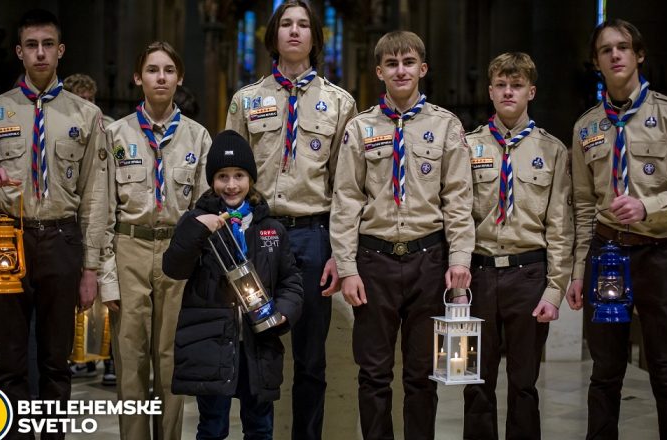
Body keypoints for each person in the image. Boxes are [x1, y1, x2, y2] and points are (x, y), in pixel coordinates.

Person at [0, 9, 107, 439]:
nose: (40, 53)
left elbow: (95, 197)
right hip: (9, 238)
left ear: (60, 51)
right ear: (20, 52)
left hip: (61, 239)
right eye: (31, 46)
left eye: (47, 45)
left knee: (57, 363)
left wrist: (91, 267)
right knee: (12, 362)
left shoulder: (86, 115)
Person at [565, 19, 667, 439]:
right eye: (606, 50)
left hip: (659, 255)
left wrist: (648, 206)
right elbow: (583, 207)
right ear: (597, 62)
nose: (615, 55)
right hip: (606, 254)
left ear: (639, 54)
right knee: (605, 371)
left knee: (666, 369)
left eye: (623, 47)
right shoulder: (586, 127)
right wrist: (578, 271)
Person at [330, 30, 474, 440]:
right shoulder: (360, 129)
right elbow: (346, 201)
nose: (401, 70)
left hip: (428, 260)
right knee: (373, 374)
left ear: (422, 69)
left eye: (408, 62)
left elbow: (458, 201)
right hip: (374, 262)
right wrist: (347, 267)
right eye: (392, 64)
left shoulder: (446, 126)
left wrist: (460, 260)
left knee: (422, 376)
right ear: (379, 71)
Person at [224, 2, 356, 438]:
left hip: (313, 235)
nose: (294, 32)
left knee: (311, 357)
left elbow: (345, 186)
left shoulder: (340, 103)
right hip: (260, 232)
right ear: (273, 36)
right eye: (286, 24)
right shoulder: (246, 100)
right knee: (255, 347)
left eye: (303, 25)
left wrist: (340, 252)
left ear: (316, 37)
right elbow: (230, 178)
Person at [97, 41, 212, 440]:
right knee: (130, 361)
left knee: (170, 361)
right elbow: (104, 212)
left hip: (176, 253)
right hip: (130, 248)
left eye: (167, 70)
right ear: (137, 78)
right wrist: (106, 276)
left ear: (179, 78)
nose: (160, 77)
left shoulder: (198, 137)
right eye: (151, 70)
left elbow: (202, 212)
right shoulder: (114, 134)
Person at [163, 129, 303, 440]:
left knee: (260, 427)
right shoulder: (196, 223)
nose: (231, 184)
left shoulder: (271, 229)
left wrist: (283, 314)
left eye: (239, 175)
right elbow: (173, 267)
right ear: (212, 180)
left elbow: (291, 281)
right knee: (212, 427)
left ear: (250, 179)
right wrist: (198, 230)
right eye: (222, 176)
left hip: (258, 347)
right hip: (211, 346)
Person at [461, 52, 572, 439]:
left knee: (524, 384)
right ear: (491, 92)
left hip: (529, 274)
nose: (509, 92)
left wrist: (555, 289)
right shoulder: (467, 146)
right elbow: (456, 218)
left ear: (531, 91)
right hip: (478, 273)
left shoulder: (553, 151)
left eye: (517, 85)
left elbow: (560, 226)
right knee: (476, 381)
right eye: (502, 86)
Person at [62, 73, 117, 386]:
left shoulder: (107, 126)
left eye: (91, 99)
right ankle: (78, 356)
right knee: (76, 293)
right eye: (81, 99)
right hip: (72, 219)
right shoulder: (61, 125)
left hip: (102, 216)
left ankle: (109, 360)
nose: (88, 106)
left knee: (106, 294)